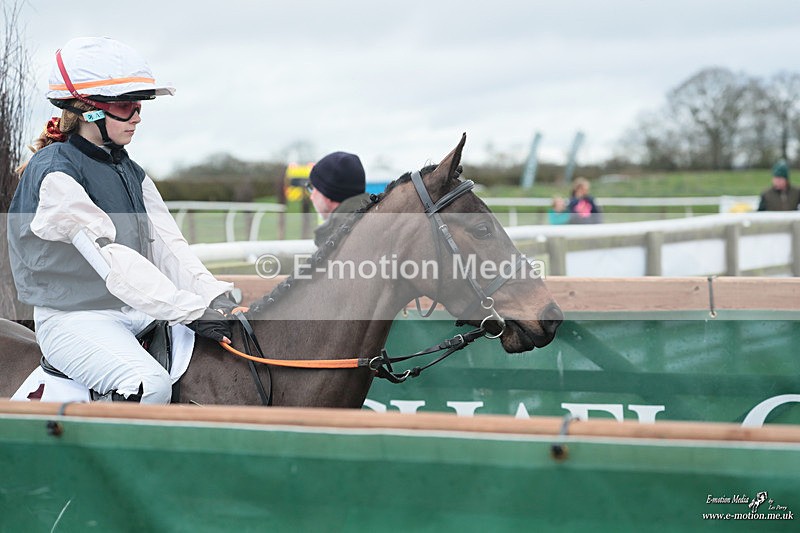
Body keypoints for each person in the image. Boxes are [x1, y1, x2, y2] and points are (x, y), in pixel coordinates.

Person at [7, 37, 236, 404]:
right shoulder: (54, 174)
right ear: (90, 111)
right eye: (126, 106)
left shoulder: (131, 171)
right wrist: (190, 311)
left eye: (139, 106)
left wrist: (213, 295)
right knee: (150, 384)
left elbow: (169, 248)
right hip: (72, 320)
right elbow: (112, 261)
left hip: (134, 311)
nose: (138, 116)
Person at [307, 151, 371, 247]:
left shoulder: (341, 240)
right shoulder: (374, 222)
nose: (311, 197)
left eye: (312, 188)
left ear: (327, 194)